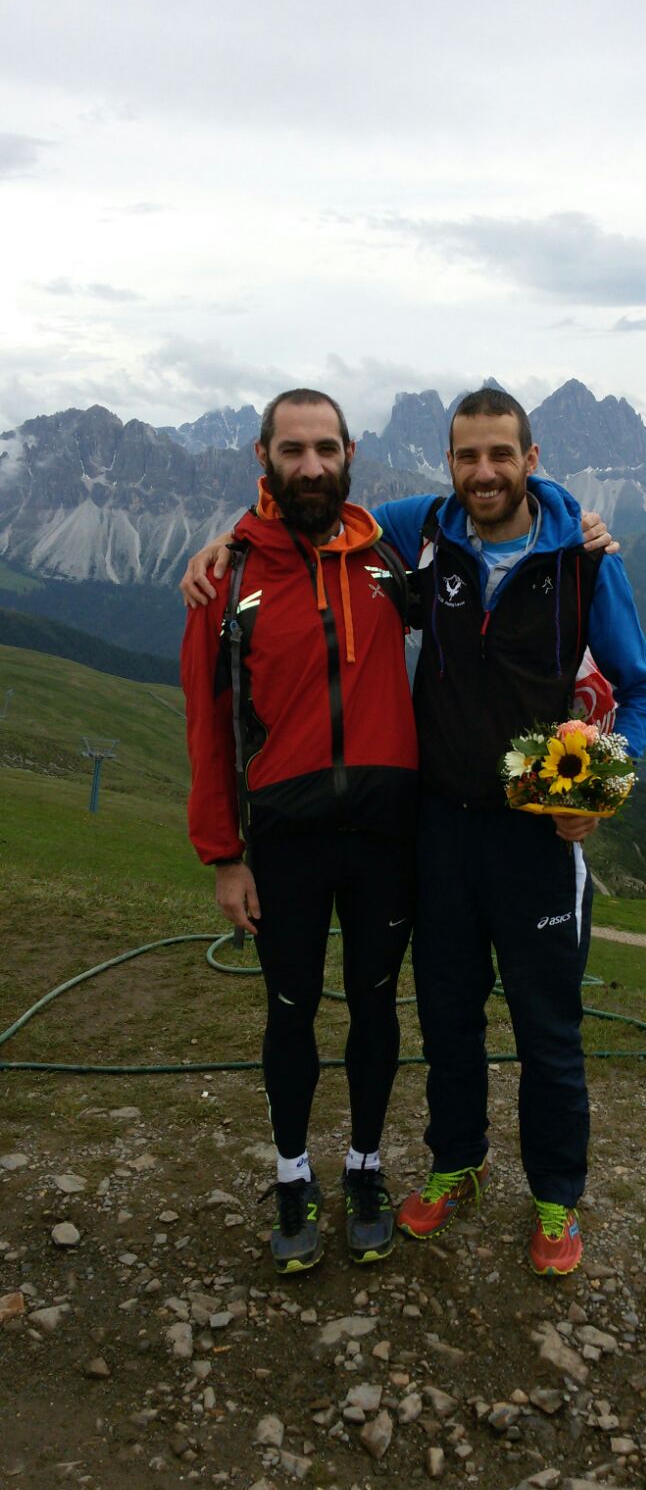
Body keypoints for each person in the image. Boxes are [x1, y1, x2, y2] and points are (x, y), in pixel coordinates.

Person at [181, 389, 646, 1279]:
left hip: (490, 840)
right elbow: (217, 709)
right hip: (401, 832)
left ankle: (545, 1197)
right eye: (467, 457)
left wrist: (602, 787)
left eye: (500, 456)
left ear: (530, 458)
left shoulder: (553, 556)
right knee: (437, 1016)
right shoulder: (387, 540)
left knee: (536, 1026)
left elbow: (642, 686)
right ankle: (436, 1166)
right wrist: (221, 544)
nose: (484, 473)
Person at [181, 388, 419, 1274]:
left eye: (326, 448)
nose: (312, 465)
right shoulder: (229, 578)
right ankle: (291, 1173)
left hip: (387, 836)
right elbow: (208, 730)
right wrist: (222, 858)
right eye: (294, 450)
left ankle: (362, 1165)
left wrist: (582, 525)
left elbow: (498, 517)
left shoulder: (389, 556)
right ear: (264, 457)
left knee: (374, 1003)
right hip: (284, 839)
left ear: (351, 452)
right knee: (289, 1009)